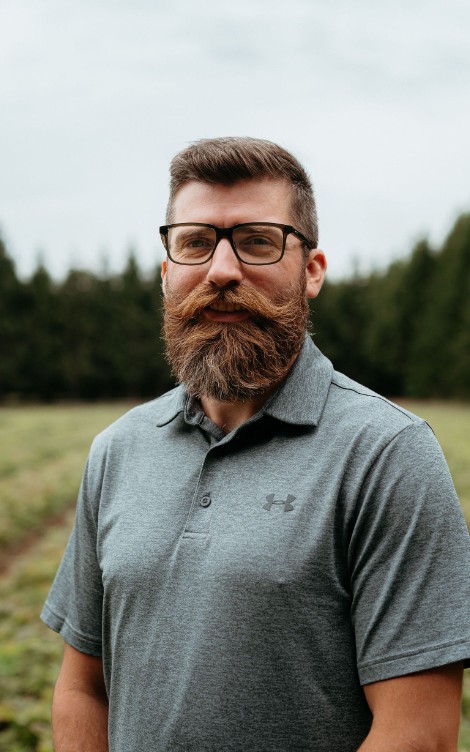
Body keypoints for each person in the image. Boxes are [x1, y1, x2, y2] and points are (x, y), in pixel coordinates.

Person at [42, 137, 470, 752]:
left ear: (311, 271)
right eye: (195, 242)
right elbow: (83, 687)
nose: (221, 270)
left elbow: (417, 735)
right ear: (166, 273)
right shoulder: (117, 450)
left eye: (258, 241)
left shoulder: (386, 454)